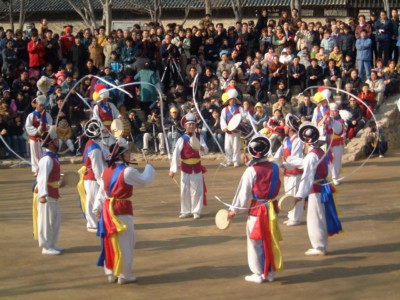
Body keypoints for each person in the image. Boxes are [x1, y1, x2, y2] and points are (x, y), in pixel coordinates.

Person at [94, 137, 156, 284]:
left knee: (110, 241)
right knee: (126, 243)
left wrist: (97, 207)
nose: (129, 154)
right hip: (122, 211)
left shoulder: (106, 171)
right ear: (121, 155)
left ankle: (111, 272)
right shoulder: (127, 172)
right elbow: (145, 180)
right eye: (127, 152)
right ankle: (124, 275)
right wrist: (149, 168)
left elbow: (102, 192)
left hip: (107, 212)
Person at [228, 135, 283, 283]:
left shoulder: (251, 171)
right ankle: (270, 272)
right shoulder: (276, 167)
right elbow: (277, 185)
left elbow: (243, 193)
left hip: (258, 208)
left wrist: (234, 210)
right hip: (271, 207)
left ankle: (258, 273)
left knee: (255, 240)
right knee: (270, 239)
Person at [294, 122, 342, 255]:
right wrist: (288, 163)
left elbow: (307, 177)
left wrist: (299, 195)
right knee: (320, 216)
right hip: (322, 186)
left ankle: (319, 246)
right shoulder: (319, 151)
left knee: (315, 217)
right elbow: (305, 164)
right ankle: (321, 244)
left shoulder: (311, 156)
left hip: (316, 189)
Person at [169, 112, 208, 219]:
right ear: (185, 126)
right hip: (185, 167)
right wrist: (173, 169)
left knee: (197, 190)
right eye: (189, 124)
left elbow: (206, 150)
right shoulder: (181, 139)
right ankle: (185, 210)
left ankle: (196, 211)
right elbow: (176, 155)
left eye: (193, 124)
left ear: (195, 125)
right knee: (184, 190)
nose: (191, 126)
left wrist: (201, 148)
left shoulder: (200, 138)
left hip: (196, 166)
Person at [33, 125, 64, 255]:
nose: (58, 141)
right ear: (51, 144)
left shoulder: (52, 158)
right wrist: (42, 195)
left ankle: (51, 243)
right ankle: (46, 246)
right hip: (47, 194)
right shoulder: (46, 159)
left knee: (55, 220)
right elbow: (42, 178)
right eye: (56, 140)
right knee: (46, 221)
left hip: (53, 192)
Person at [77, 119, 107, 232]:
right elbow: (98, 169)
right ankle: (93, 223)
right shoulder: (94, 149)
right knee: (94, 201)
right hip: (93, 178)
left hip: (90, 176)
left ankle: (94, 222)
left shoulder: (91, 144)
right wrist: (103, 182)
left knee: (92, 200)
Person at [274, 114, 304, 226]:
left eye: (285, 125)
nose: (284, 127)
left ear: (290, 128)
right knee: (288, 194)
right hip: (287, 172)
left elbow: (295, 159)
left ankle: (296, 218)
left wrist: (283, 164)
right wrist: (274, 160)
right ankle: (291, 216)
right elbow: (279, 154)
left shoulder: (298, 140)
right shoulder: (286, 140)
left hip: (295, 172)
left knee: (294, 194)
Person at [25, 95, 53, 176]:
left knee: (45, 153)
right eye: (40, 105)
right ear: (36, 105)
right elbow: (28, 126)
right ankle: (36, 170)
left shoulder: (47, 115)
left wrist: (47, 128)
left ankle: (45, 168)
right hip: (35, 138)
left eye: (42, 105)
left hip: (44, 138)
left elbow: (50, 124)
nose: (41, 107)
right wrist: (37, 132)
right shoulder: (31, 115)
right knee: (35, 154)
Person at [220, 89, 247, 167]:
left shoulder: (239, 109)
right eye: (230, 100)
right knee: (227, 146)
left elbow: (245, 117)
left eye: (233, 100)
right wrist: (224, 127)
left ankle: (236, 161)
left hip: (236, 130)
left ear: (235, 100)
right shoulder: (224, 110)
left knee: (236, 146)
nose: (232, 101)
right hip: (228, 130)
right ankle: (229, 160)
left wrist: (245, 121)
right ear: (228, 101)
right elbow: (222, 119)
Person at [324, 103, 345, 186]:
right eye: (331, 111)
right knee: (328, 160)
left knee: (336, 160)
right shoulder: (326, 119)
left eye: (335, 112)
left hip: (336, 142)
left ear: (337, 112)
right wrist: (324, 124)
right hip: (327, 141)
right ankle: (328, 176)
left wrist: (332, 121)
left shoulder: (340, 120)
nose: (333, 113)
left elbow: (338, 130)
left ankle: (335, 177)